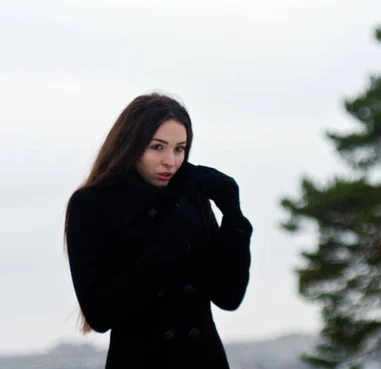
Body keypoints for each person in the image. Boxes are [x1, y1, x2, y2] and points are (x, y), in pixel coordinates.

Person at [63, 93, 253, 368]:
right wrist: (166, 249)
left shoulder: (191, 195)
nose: (170, 162)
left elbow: (228, 297)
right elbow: (100, 314)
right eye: (157, 147)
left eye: (179, 148)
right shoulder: (91, 204)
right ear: (130, 145)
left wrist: (233, 219)